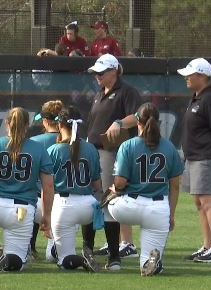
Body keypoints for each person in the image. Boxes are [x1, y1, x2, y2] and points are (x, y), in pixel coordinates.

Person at [0, 107, 54, 273]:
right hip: (21, 211)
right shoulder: (38, 148)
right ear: (27, 125)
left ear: (6, 123)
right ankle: (6, 258)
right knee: (15, 263)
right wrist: (47, 216)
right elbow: (48, 187)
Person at [107, 103, 183, 275]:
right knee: (147, 263)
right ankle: (153, 263)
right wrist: (170, 216)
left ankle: (113, 257)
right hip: (158, 209)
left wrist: (113, 189)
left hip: (129, 207)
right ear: (159, 121)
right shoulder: (169, 147)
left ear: (137, 122)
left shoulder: (128, 145)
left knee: (105, 204)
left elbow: (119, 183)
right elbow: (175, 186)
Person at [86, 54, 142, 269]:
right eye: (95, 73)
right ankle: (118, 243)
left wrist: (119, 122)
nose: (97, 76)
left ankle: (124, 243)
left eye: (101, 73)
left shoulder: (127, 91)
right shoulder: (100, 93)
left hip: (112, 151)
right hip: (95, 150)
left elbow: (138, 116)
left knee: (111, 196)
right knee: (100, 196)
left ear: (113, 71)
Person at [47, 106, 101, 272]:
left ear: (60, 125)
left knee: (62, 260)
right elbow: (97, 186)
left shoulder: (53, 150)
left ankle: (82, 260)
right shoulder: (91, 148)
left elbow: (46, 187)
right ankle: (90, 249)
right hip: (89, 206)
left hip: (63, 205)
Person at [177, 58, 211, 263]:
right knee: (199, 203)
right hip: (193, 158)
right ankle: (207, 245)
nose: (186, 77)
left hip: (207, 158)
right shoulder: (196, 97)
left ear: (201, 76)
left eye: (190, 74)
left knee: (208, 202)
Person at [29, 100, 64, 261]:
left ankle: (29, 246)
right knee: (53, 256)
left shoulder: (34, 142)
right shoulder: (74, 141)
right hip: (66, 206)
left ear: (45, 120)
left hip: (36, 205)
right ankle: (87, 248)